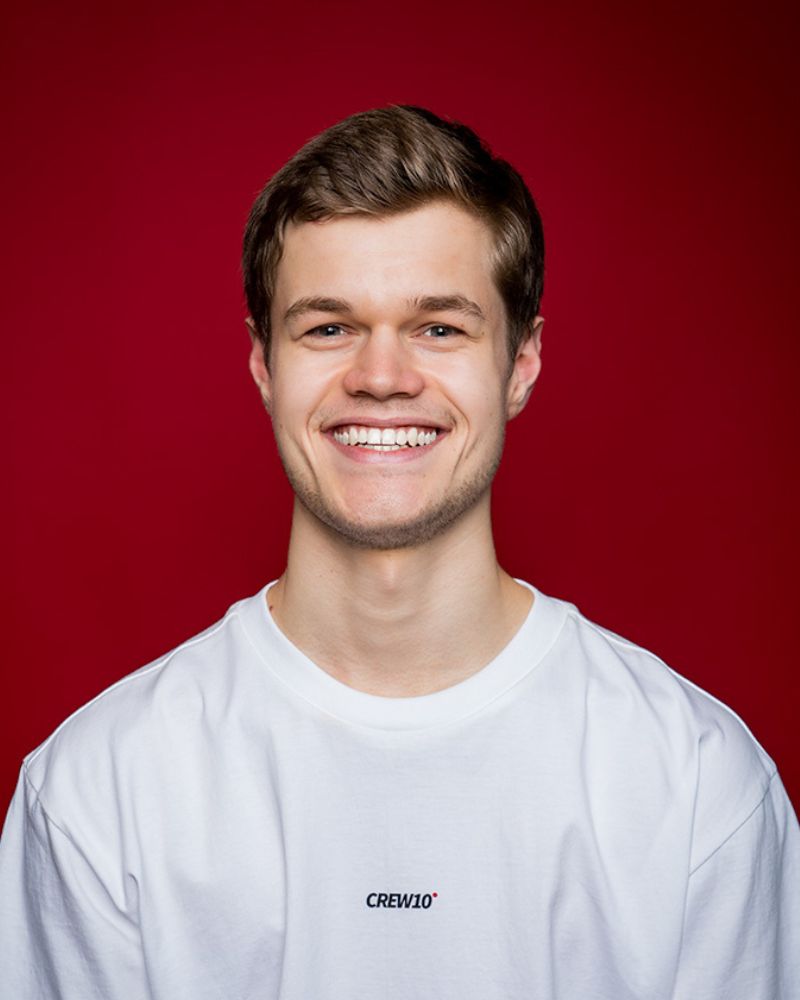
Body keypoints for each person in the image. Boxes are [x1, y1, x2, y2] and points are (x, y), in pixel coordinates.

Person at [0, 105, 797, 1000]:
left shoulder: (696, 782)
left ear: (522, 364)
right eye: (329, 327)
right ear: (265, 366)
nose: (382, 377)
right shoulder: (97, 791)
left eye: (440, 328)